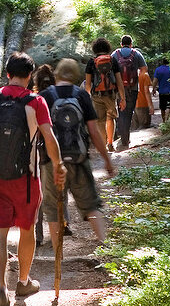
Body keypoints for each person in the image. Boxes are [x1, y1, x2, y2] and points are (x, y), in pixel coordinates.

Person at [0, 51, 66, 306]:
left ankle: (0, 287)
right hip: (28, 178)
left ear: (8, 74)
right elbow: (49, 137)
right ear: (30, 77)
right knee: (27, 230)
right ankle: (23, 281)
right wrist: (58, 165)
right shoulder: (35, 101)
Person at [40, 58, 115, 244]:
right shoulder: (82, 96)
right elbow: (94, 132)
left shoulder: (45, 96)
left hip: (52, 162)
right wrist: (107, 159)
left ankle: (58, 253)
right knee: (91, 204)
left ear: (56, 74)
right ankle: (105, 245)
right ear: (75, 76)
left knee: (52, 209)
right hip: (80, 159)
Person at [31, 64, 70, 243]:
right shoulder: (61, 97)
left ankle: (38, 235)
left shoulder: (37, 99)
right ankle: (64, 223)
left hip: (42, 152)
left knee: (40, 192)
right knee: (61, 189)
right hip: (64, 149)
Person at [84, 37, 126, 149]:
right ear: (107, 47)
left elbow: (87, 84)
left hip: (96, 96)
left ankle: (103, 145)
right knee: (110, 118)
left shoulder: (91, 62)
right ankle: (110, 142)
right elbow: (119, 81)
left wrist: (87, 97)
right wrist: (123, 98)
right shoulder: (112, 60)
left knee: (100, 121)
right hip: (111, 95)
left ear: (95, 48)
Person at [113, 36, 153, 150]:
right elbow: (144, 69)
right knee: (129, 112)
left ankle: (123, 139)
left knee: (121, 112)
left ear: (121, 44)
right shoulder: (136, 54)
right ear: (131, 44)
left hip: (119, 89)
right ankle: (126, 139)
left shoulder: (115, 54)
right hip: (133, 88)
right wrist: (137, 78)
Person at [153, 56, 170, 123]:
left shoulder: (158, 69)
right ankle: (167, 119)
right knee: (169, 107)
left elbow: (155, 80)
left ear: (162, 62)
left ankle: (163, 121)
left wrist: (153, 88)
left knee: (162, 108)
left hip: (162, 91)